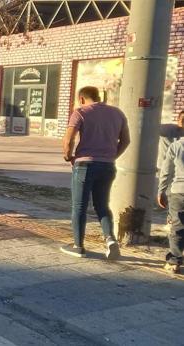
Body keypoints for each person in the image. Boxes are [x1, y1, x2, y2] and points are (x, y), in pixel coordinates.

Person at [61, 86, 130, 259]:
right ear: (98, 96)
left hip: (85, 165)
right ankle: (110, 240)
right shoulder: (117, 113)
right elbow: (126, 140)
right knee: (102, 205)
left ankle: (78, 246)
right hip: (107, 166)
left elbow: (68, 139)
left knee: (79, 207)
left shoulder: (80, 112)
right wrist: (111, 156)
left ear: (82, 99)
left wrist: (68, 157)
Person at [158, 138, 184, 274]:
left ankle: (174, 261)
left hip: (179, 191)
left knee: (177, 226)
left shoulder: (176, 146)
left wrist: (161, 190)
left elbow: (166, 171)